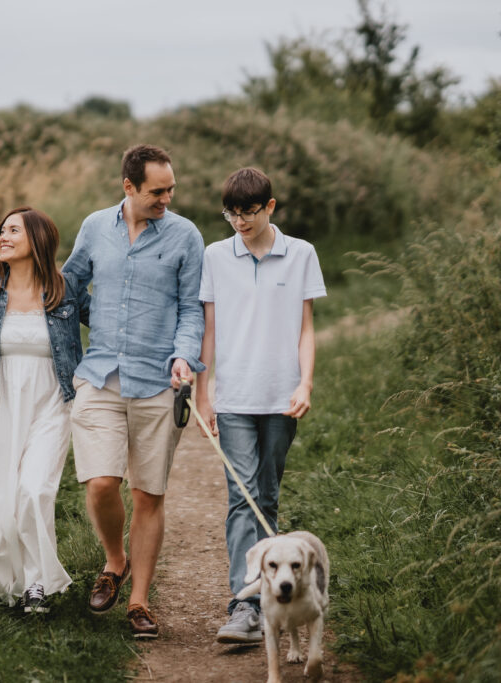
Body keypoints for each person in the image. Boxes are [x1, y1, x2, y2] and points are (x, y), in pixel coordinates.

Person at [62, 144, 205, 639]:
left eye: (171, 189)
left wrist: (183, 355)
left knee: (148, 493)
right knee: (101, 482)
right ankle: (114, 560)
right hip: (100, 373)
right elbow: (70, 283)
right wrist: (92, 323)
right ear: (129, 187)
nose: (167, 198)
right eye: (157, 191)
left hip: (158, 381)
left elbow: (192, 309)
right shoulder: (95, 227)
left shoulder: (186, 235)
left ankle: (140, 602)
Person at [194, 167, 327, 643]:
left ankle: (272, 594)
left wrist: (305, 384)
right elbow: (209, 328)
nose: (239, 222)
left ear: (270, 207)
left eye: (249, 212)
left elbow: (306, 327)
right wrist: (202, 392)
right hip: (233, 397)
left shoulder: (301, 254)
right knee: (240, 495)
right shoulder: (215, 255)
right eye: (231, 213)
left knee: (266, 495)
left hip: (281, 395)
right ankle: (242, 604)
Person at [0, 206, 89, 614]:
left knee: (34, 488)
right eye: (2, 230)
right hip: (0, 401)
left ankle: (37, 583)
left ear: (37, 239)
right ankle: (13, 581)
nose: (3, 237)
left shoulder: (65, 289)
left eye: (14, 231)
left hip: (52, 400)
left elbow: (111, 326)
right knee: (3, 498)